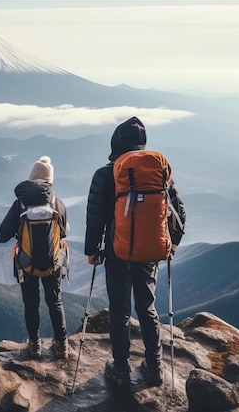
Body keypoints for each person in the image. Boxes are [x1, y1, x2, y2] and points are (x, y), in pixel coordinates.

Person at [84, 116, 185, 388]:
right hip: (150, 252)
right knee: (147, 308)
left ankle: (120, 369)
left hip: (117, 252)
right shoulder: (157, 172)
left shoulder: (106, 173)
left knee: (120, 310)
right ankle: (154, 368)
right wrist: (169, 245)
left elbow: (95, 217)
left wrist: (92, 250)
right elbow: (179, 214)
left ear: (115, 142)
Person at [0, 156, 69, 360]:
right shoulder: (58, 203)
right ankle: (61, 345)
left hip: (26, 264)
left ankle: (34, 345)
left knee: (31, 303)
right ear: (50, 181)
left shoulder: (20, 205)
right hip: (53, 263)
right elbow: (63, 233)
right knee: (55, 301)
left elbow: (2, 236)